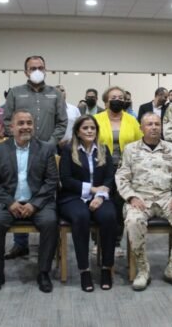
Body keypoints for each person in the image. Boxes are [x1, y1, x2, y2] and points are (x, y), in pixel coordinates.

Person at [116, 112, 172, 291]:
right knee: (133, 221)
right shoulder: (130, 149)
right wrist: (131, 197)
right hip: (140, 197)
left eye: (157, 124)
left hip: (167, 197)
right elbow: (122, 177)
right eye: (149, 124)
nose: (154, 127)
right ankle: (143, 269)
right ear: (141, 128)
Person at [0, 109, 59, 293]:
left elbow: (51, 181)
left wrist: (34, 204)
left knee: (50, 222)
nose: (26, 127)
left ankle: (43, 272)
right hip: (8, 203)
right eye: (21, 123)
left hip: (38, 203)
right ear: (11, 127)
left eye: (29, 123)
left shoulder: (45, 149)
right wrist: (10, 203)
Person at [2, 55, 66, 259]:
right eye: (32, 68)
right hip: (20, 150)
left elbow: (62, 123)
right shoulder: (15, 92)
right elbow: (6, 121)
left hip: (47, 152)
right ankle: (20, 244)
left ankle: (51, 242)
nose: (37, 71)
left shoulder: (55, 94)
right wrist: (20, 139)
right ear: (26, 71)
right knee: (21, 189)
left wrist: (49, 144)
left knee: (48, 193)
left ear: (46, 70)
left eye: (40, 67)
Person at [58, 115, 116, 291]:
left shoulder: (104, 149)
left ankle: (106, 268)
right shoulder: (68, 150)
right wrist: (92, 189)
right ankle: (85, 270)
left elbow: (110, 177)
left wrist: (100, 196)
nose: (90, 131)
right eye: (85, 128)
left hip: (100, 197)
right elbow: (66, 179)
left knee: (109, 216)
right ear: (77, 131)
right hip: (72, 197)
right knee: (81, 216)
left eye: (93, 128)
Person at [95, 86, 142, 252]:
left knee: (120, 205)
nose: (117, 100)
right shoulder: (96, 119)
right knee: (100, 203)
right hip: (101, 167)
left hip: (126, 169)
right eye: (113, 97)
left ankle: (116, 242)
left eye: (121, 97)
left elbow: (140, 142)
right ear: (106, 101)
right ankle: (98, 242)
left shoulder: (132, 120)